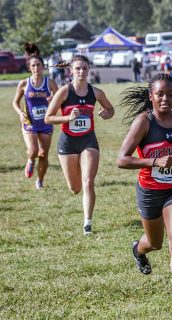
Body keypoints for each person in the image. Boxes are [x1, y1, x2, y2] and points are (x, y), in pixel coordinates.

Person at [117, 73, 172, 320]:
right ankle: (139, 250)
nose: (166, 98)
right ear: (151, 97)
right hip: (149, 192)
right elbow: (122, 160)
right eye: (160, 94)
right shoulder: (144, 123)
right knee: (154, 242)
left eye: (170, 94)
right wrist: (153, 161)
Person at [45, 55, 115, 235]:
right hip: (68, 142)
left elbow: (110, 109)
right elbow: (48, 117)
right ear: (71, 71)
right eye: (78, 69)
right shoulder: (64, 92)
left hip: (88, 140)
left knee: (88, 181)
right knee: (75, 188)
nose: (81, 72)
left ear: (89, 69)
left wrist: (106, 113)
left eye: (84, 68)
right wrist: (67, 118)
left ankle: (87, 224)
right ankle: (80, 198)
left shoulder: (96, 92)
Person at [12, 43, 58, 189]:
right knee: (34, 151)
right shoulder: (24, 83)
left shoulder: (50, 83)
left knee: (43, 154)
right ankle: (30, 160)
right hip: (29, 121)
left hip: (46, 122)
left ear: (43, 67)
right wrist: (20, 113)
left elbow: (60, 101)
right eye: (33, 66)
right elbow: (15, 102)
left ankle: (40, 181)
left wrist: (53, 101)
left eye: (39, 65)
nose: (36, 68)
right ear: (29, 68)